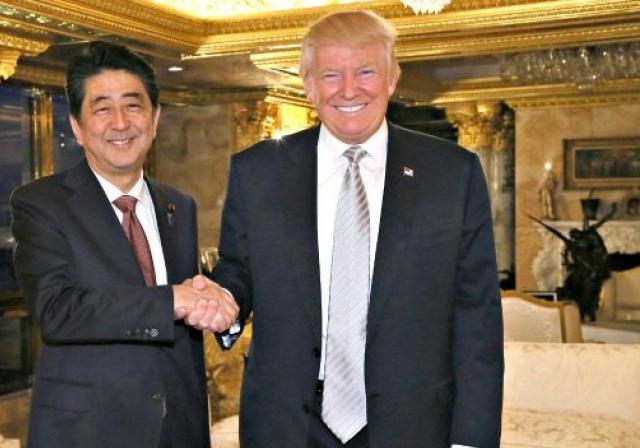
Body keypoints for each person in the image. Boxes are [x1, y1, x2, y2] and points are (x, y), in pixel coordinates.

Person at [206, 10, 504, 448]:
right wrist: (226, 297)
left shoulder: (452, 173)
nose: (349, 89)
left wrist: (472, 439)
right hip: (286, 425)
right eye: (330, 74)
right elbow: (239, 266)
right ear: (308, 85)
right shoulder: (258, 171)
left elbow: (477, 315)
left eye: (365, 71)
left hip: (412, 424)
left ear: (391, 78)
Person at [10, 41, 238, 448]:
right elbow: (58, 311)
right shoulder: (41, 203)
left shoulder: (178, 205)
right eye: (101, 108)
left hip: (179, 427)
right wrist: (172, 300)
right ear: (78, 128)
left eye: (133, 106)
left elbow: (182, 318)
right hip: (89, 431)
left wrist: (212, 303)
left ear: (155, 119)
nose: (120, 122)